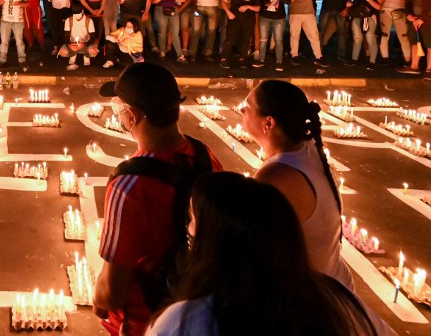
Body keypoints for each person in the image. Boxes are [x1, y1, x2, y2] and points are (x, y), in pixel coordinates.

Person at [146, 172, 396, 336]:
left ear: (215, 242)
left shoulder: (187, 321)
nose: (188, 227)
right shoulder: (337, 299)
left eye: (193, 219)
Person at [94, 63, 221, 336]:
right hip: (196, 315)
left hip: (144, 324)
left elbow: (111, 295)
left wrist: (99, 296)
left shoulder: (128, 185)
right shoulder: (205, 157)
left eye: (119, 107)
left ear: (132, 115)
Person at [242, 80, 353, 288]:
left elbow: (254, 252)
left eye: (247, 107)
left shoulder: (276, 175)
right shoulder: (308, 149)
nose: (241, 110)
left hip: (314, 301)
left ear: (268, 123)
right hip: (334, 284)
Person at [220, 0, 260, 69]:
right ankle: (224, 59)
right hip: (234, 18)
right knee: (230, 39)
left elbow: (258, 8)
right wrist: (228, 12)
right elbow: (224, 1)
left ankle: (242, 59)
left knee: (246, 39)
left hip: (248, 19)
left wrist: (248, 6)